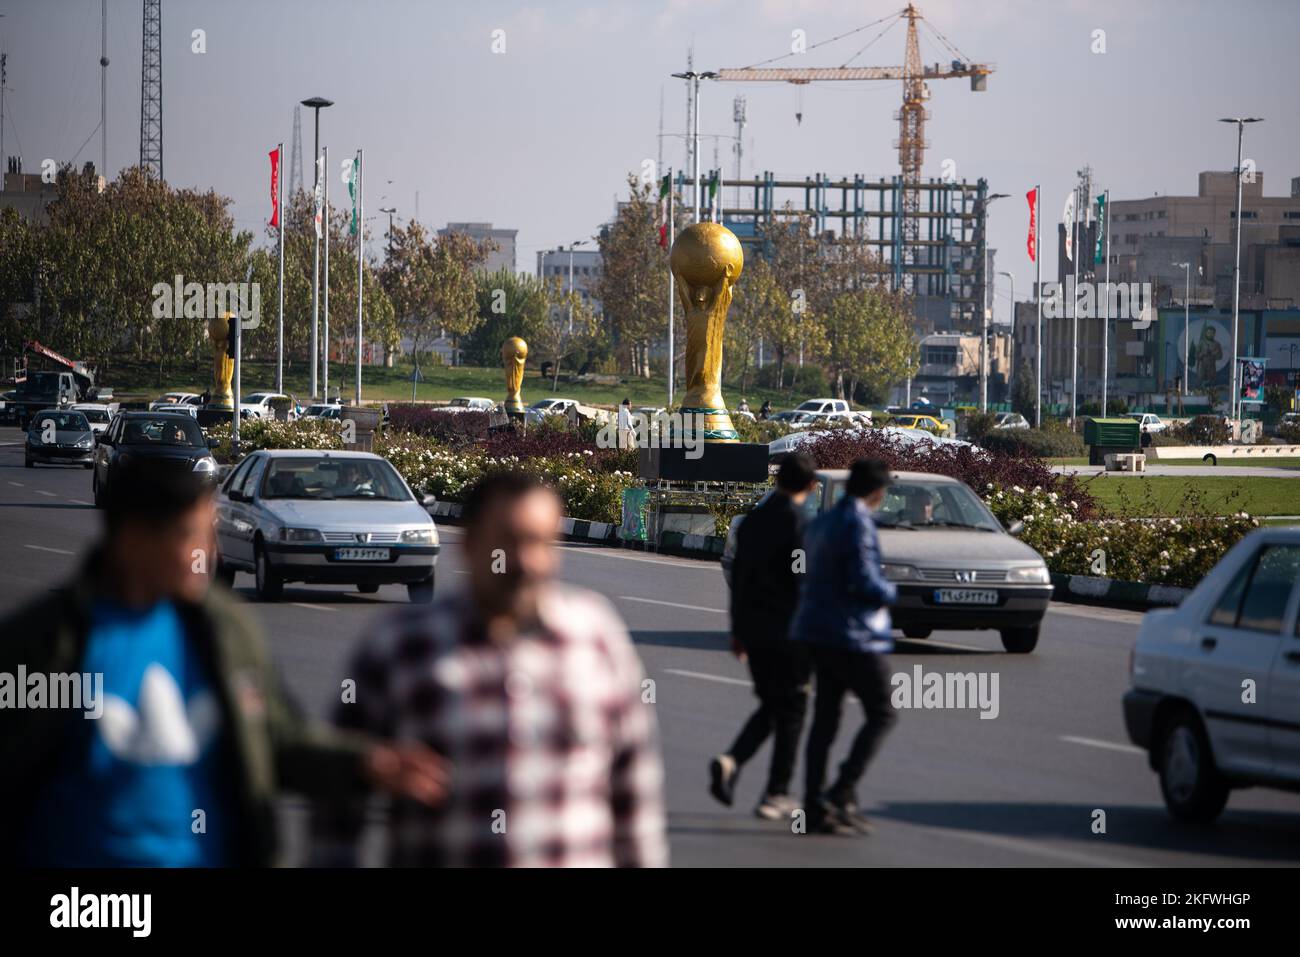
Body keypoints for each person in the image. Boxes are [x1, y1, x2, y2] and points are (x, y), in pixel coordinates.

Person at [0, 456, 445, 867]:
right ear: (133, 538)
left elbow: (274, 741)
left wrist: (365, 763)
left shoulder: (226, 628)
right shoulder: (46, 644)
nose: (208, 551)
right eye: (191, 536)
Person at [313, 472, 667, 866]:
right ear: (469, 544)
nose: (525, 561)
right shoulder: (402, 647)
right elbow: (339, 795)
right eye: (508, 542)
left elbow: (634, 803)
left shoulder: (596, 640)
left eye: (540, 542)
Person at [789, 457, 898, 836]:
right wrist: (893, 591)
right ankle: (841, 789)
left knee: (825, 721)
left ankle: (814, 802)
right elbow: (863, 582)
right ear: (877, 492)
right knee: (882, 712)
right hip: (851, 635)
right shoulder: (858, 523)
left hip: (816, 633)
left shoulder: (823, 521)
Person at [710, 453, 818, 820]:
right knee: (792, 709)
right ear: (809, 485)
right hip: (788, 633)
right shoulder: (799, 522)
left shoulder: (753, 522)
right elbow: (802, 579)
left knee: (776, 705)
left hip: (753, 631)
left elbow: (738, 579)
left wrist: (738, 631)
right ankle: (776, 792)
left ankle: (731, 761)